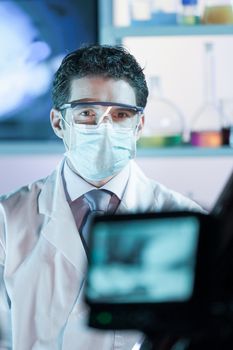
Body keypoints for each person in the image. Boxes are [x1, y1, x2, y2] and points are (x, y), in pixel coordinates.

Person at [0, 45, 203, 350]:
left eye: (120, 115)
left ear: (139, 125)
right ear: (58, 123)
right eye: (86, 114)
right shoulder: (6, 220)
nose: (103, 128)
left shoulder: (184, 220)